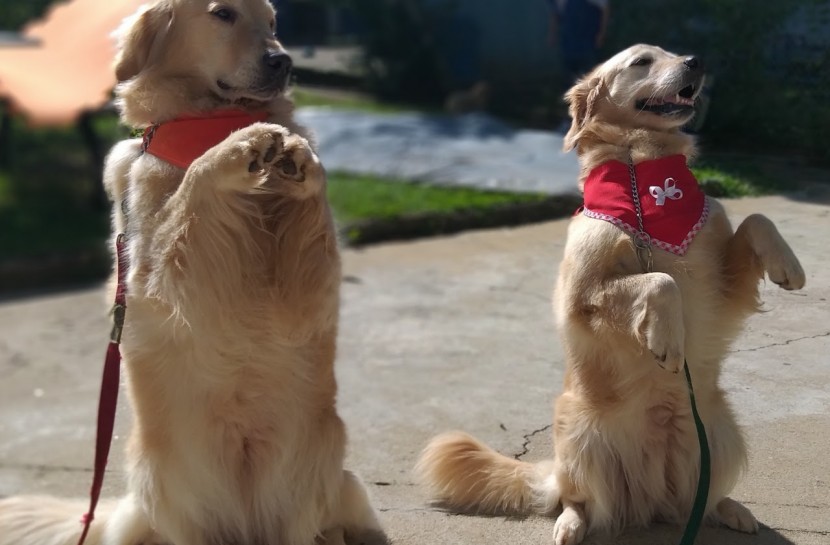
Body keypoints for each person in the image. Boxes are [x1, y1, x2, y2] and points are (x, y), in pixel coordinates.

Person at [548, 0, 610, 85]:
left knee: (590, 73)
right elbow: (556, 14)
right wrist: (553, 34)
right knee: (569, 75)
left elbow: (605, 9)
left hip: (588, 40)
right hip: (568, 41)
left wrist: (601, 34)